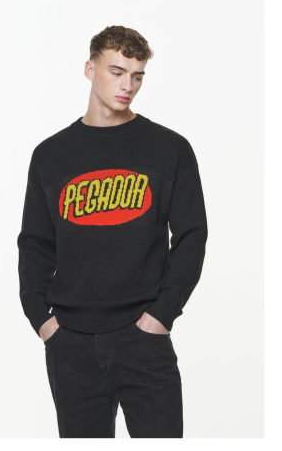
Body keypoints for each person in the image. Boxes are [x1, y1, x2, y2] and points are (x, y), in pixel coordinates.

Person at [17, 25, 208, 438]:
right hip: (70, 342)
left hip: (143, 337)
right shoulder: (50, 155)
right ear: (90, 69)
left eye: (137, 76)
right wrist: (42, 320)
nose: (128, 86)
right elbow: (34, 245)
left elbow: (192, 236)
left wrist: (162, 315)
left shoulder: (169, 149)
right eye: (117, 72)